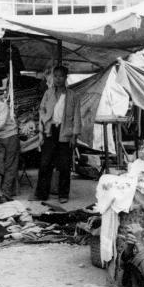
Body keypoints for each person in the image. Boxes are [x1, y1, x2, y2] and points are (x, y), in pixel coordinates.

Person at [33, 65, 81, 204]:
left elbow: (77, 116)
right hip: (50, 130)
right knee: (45, 163)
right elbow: (41, 109)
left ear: (65, 78)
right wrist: (43, 123)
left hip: (65, 131)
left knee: (65, 165)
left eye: (61, 76)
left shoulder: (73, 95)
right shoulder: (48, 93)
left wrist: (74, 135)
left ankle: (63, 194)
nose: (58, 79)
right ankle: (42, 193)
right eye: (56, 76)